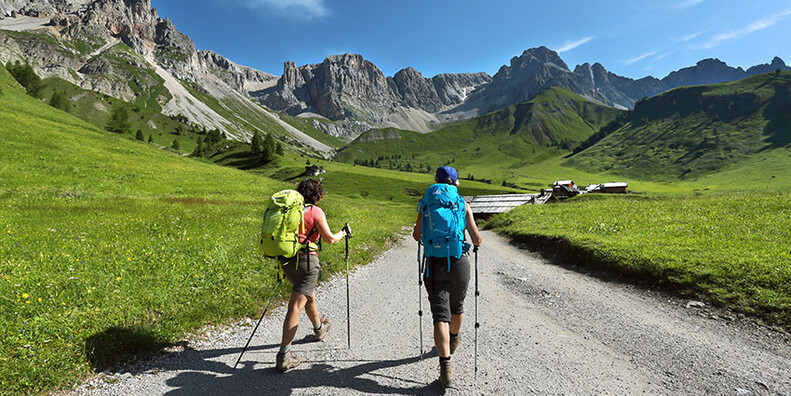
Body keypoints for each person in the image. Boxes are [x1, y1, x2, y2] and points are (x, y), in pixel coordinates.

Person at [412, 166, 483, 388]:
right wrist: (476, 241)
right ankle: (453, 338)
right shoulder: (462, 204)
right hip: (459, 261)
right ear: (454, 183)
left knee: (439, 315)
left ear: (436, 181)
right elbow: (477, 237)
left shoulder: (426, 203)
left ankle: (446, 369)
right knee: (457, 308)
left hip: (434, 263)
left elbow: (416, 235)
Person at [276, 179, 351, 372]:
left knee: (308, 295)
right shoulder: (315, 212)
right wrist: (343, 233)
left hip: (287, 261)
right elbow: (330, 239)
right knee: (296, 305)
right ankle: (284, 354)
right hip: (307, 262)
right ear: (317, 195)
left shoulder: (290, 211)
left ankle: (319, 328)